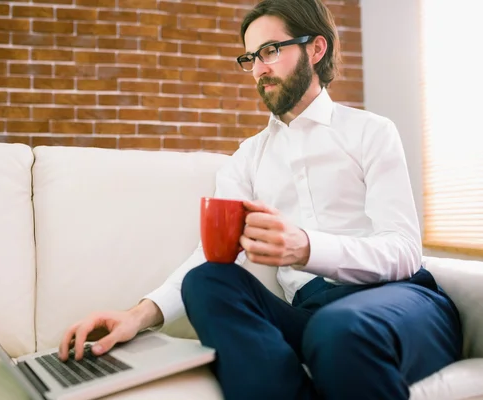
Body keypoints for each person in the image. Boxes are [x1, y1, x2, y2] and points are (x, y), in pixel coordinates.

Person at [59, 0, 462, 398]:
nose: (259, 69)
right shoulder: (247, 159)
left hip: (401, 303)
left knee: (339, 329)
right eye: (251, 57)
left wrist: (306, 247)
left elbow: (404, 250)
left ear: (316, 49)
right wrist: (136, 316)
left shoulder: (370, 132)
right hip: (310, 315)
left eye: (271, 51)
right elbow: (210, 256)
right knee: (207, 280)